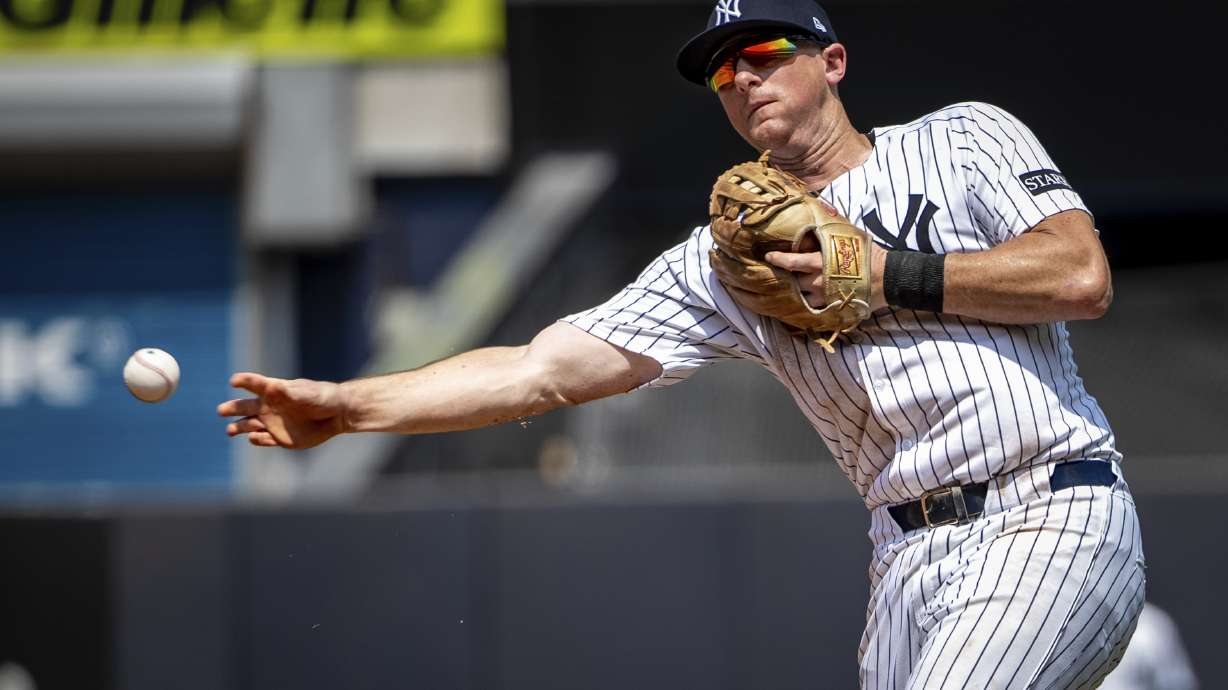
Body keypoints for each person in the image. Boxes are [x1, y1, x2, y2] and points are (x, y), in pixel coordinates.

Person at [218, 0, 1145, 686]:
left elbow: (1077, 277)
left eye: (764, 53)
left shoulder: (962, 140)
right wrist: (352, 406)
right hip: (904, 561)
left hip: (1045, 511)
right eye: (721, 71)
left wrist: (889, 273)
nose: (741, 77)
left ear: (832, 61)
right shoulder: (722, 260)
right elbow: (541, 370)